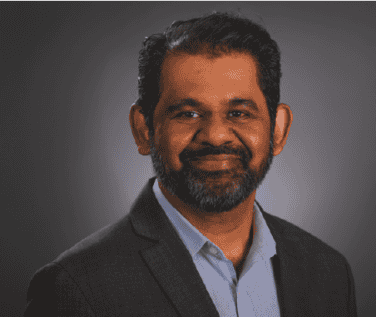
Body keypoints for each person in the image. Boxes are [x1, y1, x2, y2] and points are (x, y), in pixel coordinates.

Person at [25, 11, 357, 317]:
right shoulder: (74, 288)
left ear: (278, 130)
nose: (215, 136)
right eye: (187, 113)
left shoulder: (327, 271)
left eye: (239, 113)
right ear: (144, 130)